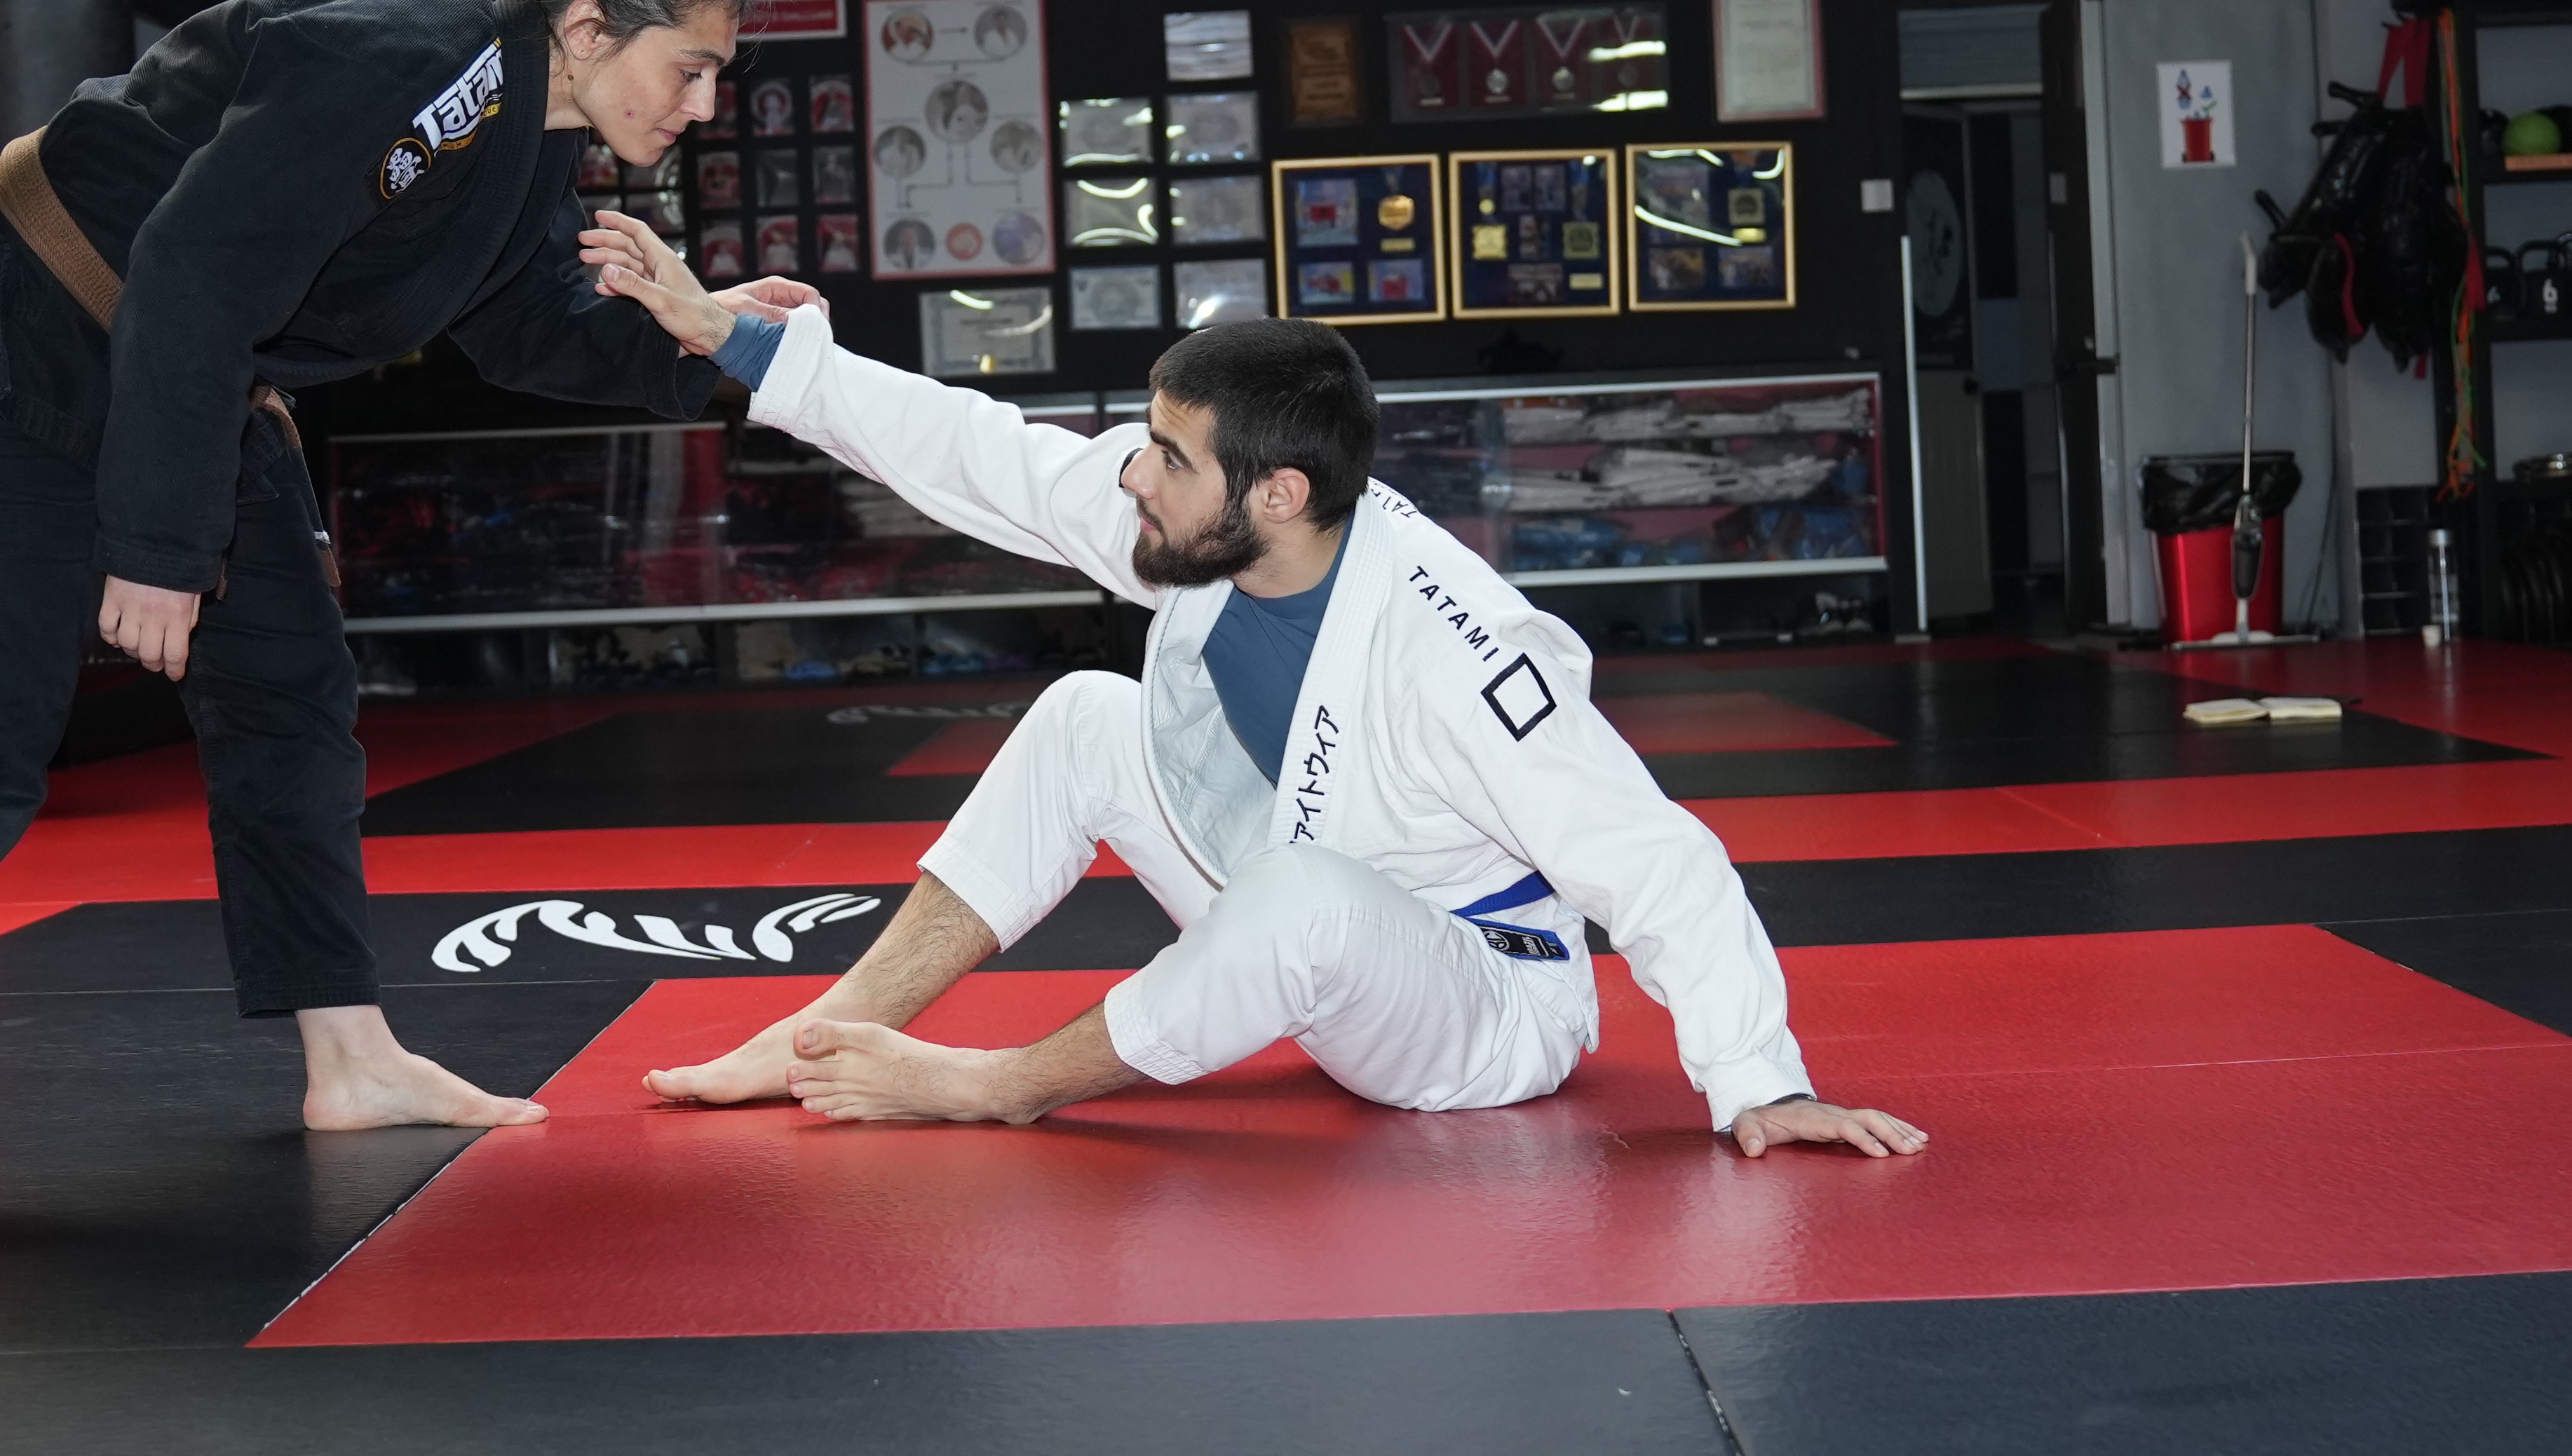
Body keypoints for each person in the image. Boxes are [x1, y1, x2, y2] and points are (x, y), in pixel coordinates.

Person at [0, 0, 820, 1232]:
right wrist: (161, 547)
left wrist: (712, 343)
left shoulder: (519, 145)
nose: (700, 104)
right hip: (5, 318)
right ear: (592, 24)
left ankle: (350, 1055)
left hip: (189, 361)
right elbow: (195, 263)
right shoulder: (405, 60)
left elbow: (526, 331)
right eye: (691, 67)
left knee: (294, 701)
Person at [571, 222, 1926, 1158]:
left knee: (1306, 900)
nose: (1130, 475)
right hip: (1299, 892)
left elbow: (1657, 860)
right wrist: (729, 340)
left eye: (1165, 454)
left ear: (1278, 493)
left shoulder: (1462, 647)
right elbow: (983, 454)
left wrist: (1764, 1084)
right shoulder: (1214, 526)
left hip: (1480, 1004)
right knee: (1083, 718)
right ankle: (833, 1027)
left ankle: (999, 1090)